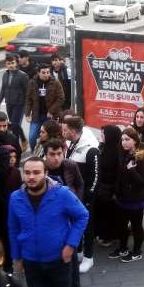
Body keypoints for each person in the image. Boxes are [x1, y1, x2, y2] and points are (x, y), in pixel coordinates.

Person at [8, 157, 88, 287]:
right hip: (31, 263)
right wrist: (17, 257)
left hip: (59, 260)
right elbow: (13, 229)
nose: (31, 177)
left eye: (36, 172)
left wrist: (70, 245)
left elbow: (82, 216)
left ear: (45, 174)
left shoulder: (62, 194)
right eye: (27, 173)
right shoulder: (16, 198)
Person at [109, 127, 144, 263]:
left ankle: (137, 251)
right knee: (121, 225)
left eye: (127, 140)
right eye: (122, 140)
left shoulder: (142, 156)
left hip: (136, 199)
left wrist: (132, 171)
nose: (124, 142)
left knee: (136, 226)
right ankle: (123, 248)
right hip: (122, 197)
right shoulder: (123, 153)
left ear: (135, 141)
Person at [63, 116, 99, 275]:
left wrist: (89, 199)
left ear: (73, 131)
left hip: (85, 196)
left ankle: (89, 257)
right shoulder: (72, 142)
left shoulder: (91, 149)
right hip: (73, 194)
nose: (62, 132)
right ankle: (78, 251)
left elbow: (96, 177)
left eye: (65, 130)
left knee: (88, 226)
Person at [0, 145, 22, 272]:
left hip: (11, 209)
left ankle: (8, 264)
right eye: (9, 157)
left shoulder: (15, 172)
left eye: (14, 157)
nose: (12, 160)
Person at [24, 65, 64, 151]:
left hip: (50, 116)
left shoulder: (55, 82)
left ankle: (45, 154)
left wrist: (51, 111)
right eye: (43, 73)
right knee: (32, 137)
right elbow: (28, 99)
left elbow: (61, 98)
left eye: (48, 72)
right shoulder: (32, 82)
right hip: (36, 116)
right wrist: (27, 114)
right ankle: (34, 153)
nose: (46, 75)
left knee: (49, 138)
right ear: (38, 73)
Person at [95, 125, 121, 248]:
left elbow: (116, 172)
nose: (101, 136)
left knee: (109, 213)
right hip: (103, 187)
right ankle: (104, 234)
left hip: (110, 189)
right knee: (103, 212)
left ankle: (110, 236)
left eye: (103, 134)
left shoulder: (116, 151)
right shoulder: (103, 148)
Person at [0, 54, 28, 151]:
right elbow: (3, 88)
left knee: (14, 124)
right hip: (9, 102)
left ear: (16, 63)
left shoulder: (23, 76)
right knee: (14, 125)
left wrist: (28, 108)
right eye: (8, 63)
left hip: (19, 104)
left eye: (12, 63)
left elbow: (27, 92)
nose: (11, 65)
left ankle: (19, 142)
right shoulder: (5, 74)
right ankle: (18, 142)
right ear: (6, 64)